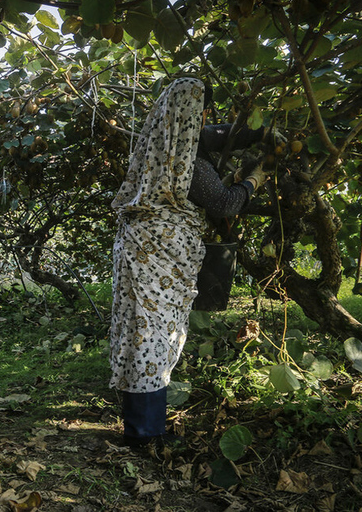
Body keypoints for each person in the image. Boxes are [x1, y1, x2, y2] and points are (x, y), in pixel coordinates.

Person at [109, 77, 267, 451]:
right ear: (199, 112)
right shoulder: (187, 158)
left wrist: (262, 132)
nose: (208, 118)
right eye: (205, 111)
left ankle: (142, 426)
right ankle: (145, 434)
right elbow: (224, 203)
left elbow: (222, 140)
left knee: (142, 331)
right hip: (158, 253)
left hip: (143, 248)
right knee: (152, 335)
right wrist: (254, 180)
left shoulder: (161, 140)